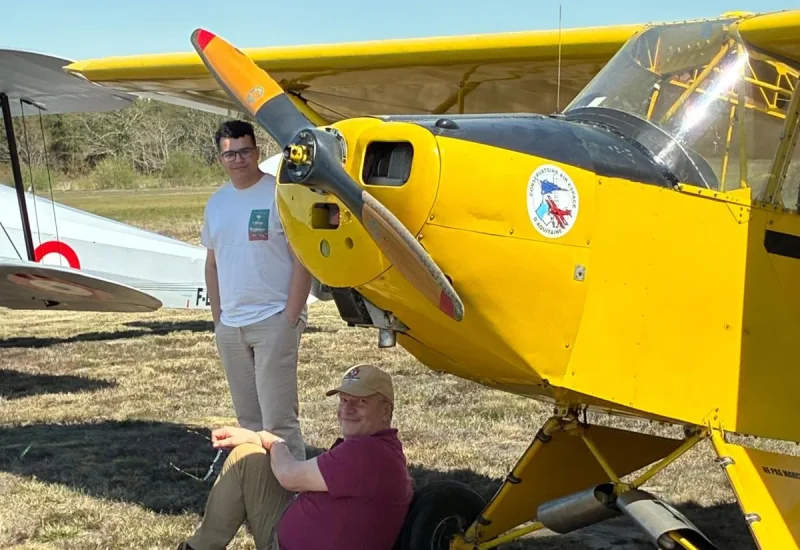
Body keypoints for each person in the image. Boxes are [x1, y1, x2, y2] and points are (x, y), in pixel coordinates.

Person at [177, 364, 413, 550]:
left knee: (246, 456)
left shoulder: (368, 453)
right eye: (343, 400)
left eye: (361, 402)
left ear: (385, 411)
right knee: (248, 457)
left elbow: (290, 476)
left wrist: (269, 440)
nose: (348, 409)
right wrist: (257, 440)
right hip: (283, 537)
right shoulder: (379, 451)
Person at [201, 120, 312, 462]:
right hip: (232, 327)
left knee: (279, 422)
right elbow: (213, 263)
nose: (238, 159)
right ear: (220, 158)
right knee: (249, 422)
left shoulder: (279, 193)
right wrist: (219, 320)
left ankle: (294, 500)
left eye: (244, 151)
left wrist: (290, 317)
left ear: (257, 152)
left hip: (273, 319)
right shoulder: (217, 203)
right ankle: (259, 493)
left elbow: (303, 259)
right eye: (229, 154)